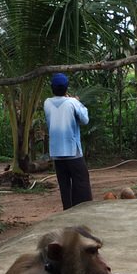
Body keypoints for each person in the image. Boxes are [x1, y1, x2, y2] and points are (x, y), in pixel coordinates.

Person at [44, 73, 92, 210]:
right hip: (72, 151)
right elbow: (85, 119)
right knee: (81, 182)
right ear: (66, 88)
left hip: (56, 152)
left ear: (52, 88)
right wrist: (77, 101)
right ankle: (83, 209)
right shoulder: (72, 102)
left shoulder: (47, 103)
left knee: (64, 185)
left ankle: (68, 210)